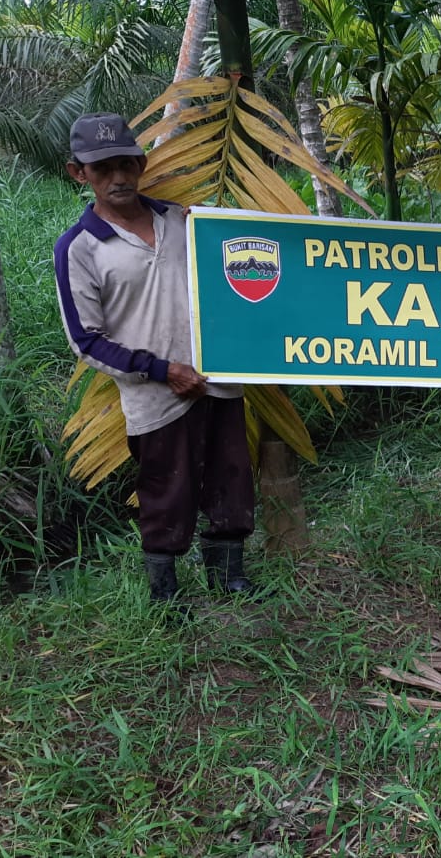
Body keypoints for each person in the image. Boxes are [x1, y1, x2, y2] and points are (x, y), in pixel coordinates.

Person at [54, 112, 256, 607]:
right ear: (78, 173)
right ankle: (166, 596)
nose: (118, 178)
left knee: (231, 477)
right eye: (103, 169)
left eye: (126, 164)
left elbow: (241, 275)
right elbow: (86, 340)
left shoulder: (185, 223)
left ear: (142, 163)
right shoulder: (78, 249)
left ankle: (228, 578)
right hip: (156, 396)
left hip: (220, 377)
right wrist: (164, 371)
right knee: (167, 492)